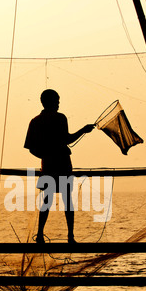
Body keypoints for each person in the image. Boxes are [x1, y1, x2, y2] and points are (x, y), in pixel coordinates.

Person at [24, 89, 94, 243]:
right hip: (62, 163)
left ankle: (40, 235)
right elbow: (68, 139)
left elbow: (31, 148)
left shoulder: (35, 121)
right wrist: (84, 130)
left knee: (46, 200)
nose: (58, 104)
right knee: (67, 200)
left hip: (47, 165)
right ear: (51, 102)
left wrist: (45, 156)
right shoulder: (60, 118)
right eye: (57, 100)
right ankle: (70, 236)